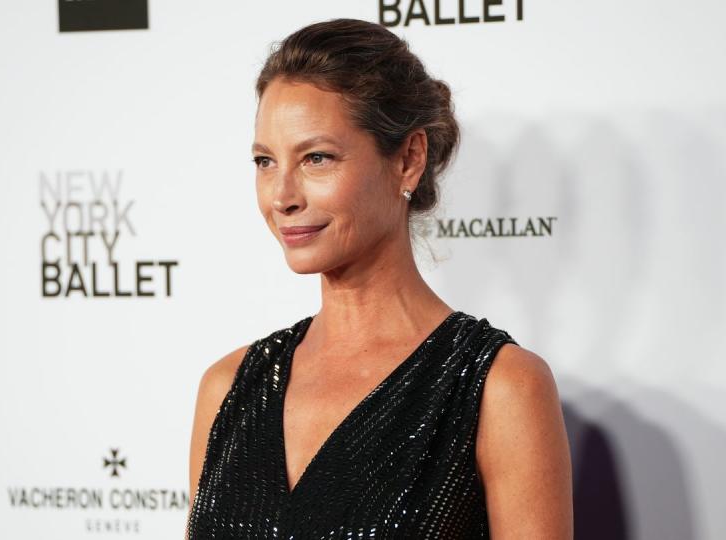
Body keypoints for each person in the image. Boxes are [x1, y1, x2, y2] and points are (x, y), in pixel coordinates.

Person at [186, 17, 572, 539]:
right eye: (265, 161)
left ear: (409, 159)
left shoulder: (499, 389)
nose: (282, 196)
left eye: (316, 158)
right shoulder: (229, 387)